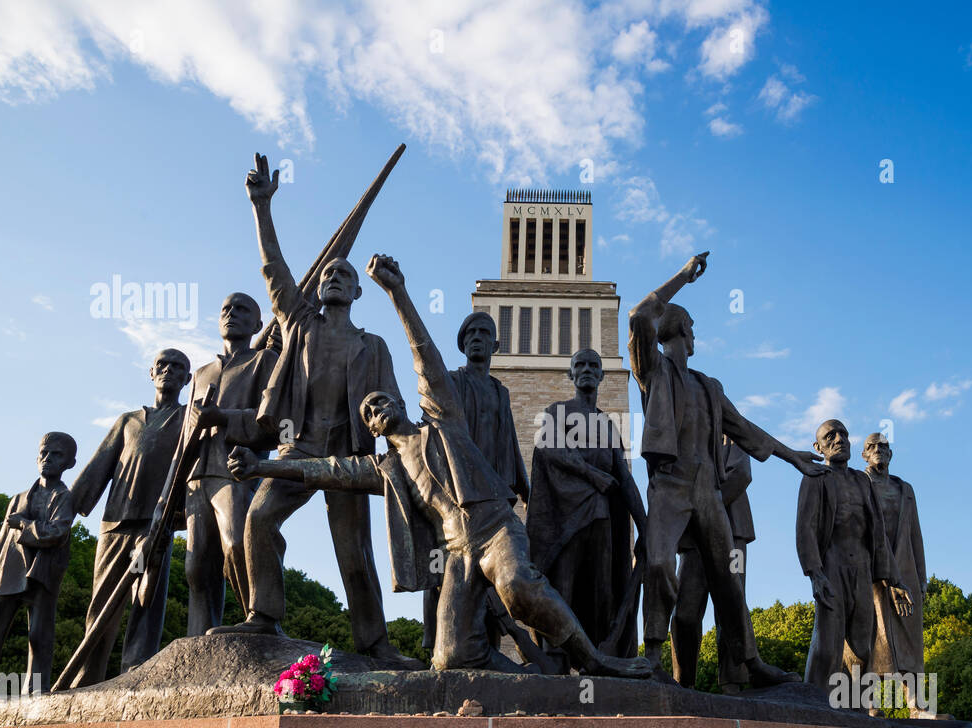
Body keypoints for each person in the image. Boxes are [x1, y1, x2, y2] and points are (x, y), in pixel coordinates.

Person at [228, 254, 651, 680]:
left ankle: (594, 660)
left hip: (494, 528)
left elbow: (423, 354)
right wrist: (259, 468)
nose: (377, 408)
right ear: (371, 426)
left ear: (399, 401)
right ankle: (532, 680)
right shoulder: (385, 468)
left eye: (381, 400)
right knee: (451, 657)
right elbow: (322, 470)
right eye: (369, 411)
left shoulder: (441, 417)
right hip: (458, 551)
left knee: (517, 586)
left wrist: (398, 292)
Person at [215, 154, 412, 666]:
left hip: (347, 457)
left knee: (354, 556)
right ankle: (265, 615)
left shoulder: (374, 347)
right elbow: (273, 269)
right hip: (296, 447)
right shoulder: (300, 323)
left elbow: (392, 404)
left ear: (358, 289)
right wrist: (262, 207)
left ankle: (375, 643)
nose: (333, 277)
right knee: (259, 519)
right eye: (327, 274)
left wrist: (387, 425)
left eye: (343, 274)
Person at [628, 251, 823, 687]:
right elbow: (640, 314)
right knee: (658, 564)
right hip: (670, 486)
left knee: (728, 579)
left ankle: (750, 664)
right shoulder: (654, 371)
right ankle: (653, 657)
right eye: (692, 326)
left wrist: (793, 456)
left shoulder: (709, 386)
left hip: (707, 491)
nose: (696, 334)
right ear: (676, 327)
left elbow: (746, 429)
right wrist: (683, 277)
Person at [65, 349, 191, 686]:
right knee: (102, 603)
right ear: (151, 373)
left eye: (177, 367)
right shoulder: (127, 420)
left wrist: (181, 517)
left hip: (155, 526)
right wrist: (65, 511)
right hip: (116, 523)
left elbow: (192, 471)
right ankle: (87, 678)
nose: (168, 370)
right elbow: (98, 466)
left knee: (146, 603)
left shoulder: (187, 420)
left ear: (187, 379)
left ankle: (134, 676)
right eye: (162, 365)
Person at [526, 348, 646, 671]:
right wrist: (591, 474)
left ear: (603, 376)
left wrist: (646, 526)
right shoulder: (557, 412)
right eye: (580, 365)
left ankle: (598, 660)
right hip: (566, 521)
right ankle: (555, 660)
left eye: (594, 365)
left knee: (602, 593)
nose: (587, 369)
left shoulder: (608, 425)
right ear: (570, 374)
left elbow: (623, 476)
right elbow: (549, 447)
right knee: (562, 588)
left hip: (602, 519)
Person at [421, 311, 530, 654]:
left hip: (493, 501)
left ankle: (488, 654)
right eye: (471, 333)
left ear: (496, 344)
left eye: (484, 333)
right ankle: (434, 648)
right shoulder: (453, 381)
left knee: (493, 583)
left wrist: (529, 494)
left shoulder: (501, 392)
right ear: (463, 343)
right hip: (455, 495)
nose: (477, 337)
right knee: (442, 573)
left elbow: (511, 444)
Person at [181, 292, 278, 635]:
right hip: (196, 474)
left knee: (237, 542)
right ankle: (199, 639)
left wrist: (222, 417)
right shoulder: (201, 373)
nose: (231, 314)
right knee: (196, 566)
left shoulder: (265, 361)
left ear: (256, 323)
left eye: (242, 310)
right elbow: (185, 434)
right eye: (225, 308)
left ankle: (263, 618)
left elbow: (275, 421)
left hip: (234, 470)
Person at [796, 419, 911, 698]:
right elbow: (805, 528)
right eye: (830, 436)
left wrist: (894, 580)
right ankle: (813, 701)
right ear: (818, 447)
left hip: (861, 567)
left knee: (862, 646)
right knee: (827, 643)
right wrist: (815, 573)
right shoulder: (815, 478)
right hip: (832, 565)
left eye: (844, 434)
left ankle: (856, 709)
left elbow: (879, 534)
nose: (839, 439)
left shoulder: (862, 481)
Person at [0, 433, 76, 695]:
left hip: (42, 575)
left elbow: (57, 533)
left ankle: (36, 688)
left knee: (39, 635)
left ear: (70, 463)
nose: (47, 459)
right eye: (44, 453)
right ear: (36, 458)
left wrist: (24, 524)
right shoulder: (19, 498)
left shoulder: (65, 498)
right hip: (9, 572)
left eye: (56, 455)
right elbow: (0, 542)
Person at [670, 438, 752, 691]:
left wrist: (706, 510)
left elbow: (741, 475)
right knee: (685, 612)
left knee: (731, 607)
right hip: (693, 535)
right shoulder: (684, 435)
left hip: (730, 529)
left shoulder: (732, 433)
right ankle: (684, 682)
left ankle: (733, 682)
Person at [862, 432, 929, 715]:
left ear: (891, 454)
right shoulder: (858, 483)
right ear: (864, 454)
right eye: (872, 446)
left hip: (906, 571)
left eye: (884, 446)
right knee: (874, 635)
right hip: (870, 570)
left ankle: (916, 704)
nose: (879, 450)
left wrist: (922, 578)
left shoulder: (905, 489)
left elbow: (915, 535)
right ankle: (868, 702)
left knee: (909, 638)